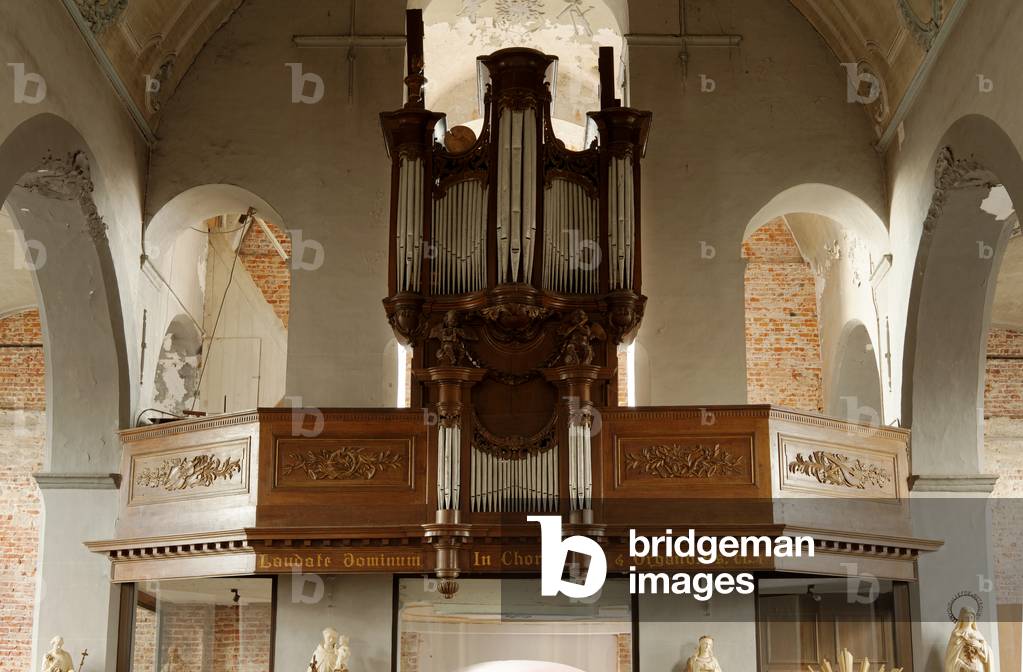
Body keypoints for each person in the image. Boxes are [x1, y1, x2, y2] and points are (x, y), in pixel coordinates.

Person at [945, 607, 993, 672]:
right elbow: (950, 657)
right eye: (966, 617)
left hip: (977, 668)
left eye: (971, 617)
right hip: (962, 669)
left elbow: (988, 651)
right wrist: (966, 667)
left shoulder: (977, 634)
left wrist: (980, 645)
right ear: (961, 618)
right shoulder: (956, 634)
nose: (969, 620)